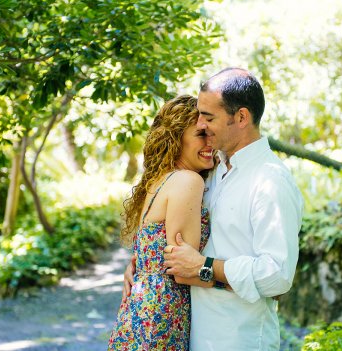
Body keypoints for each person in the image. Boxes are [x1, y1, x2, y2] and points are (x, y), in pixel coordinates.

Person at [163, 68, 304, 350]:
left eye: (209, 117)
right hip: (199, 336)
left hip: (241, 339)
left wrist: (203, 266)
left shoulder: (270, 180)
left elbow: (277, 275)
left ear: (241, 117)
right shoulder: (212, 170)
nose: (200, 125)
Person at [108, 95, 216, 350]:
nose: (210, 141)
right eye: (200, 134)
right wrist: (240, 281)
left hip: (140, 315)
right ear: (176, 139)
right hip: (161, 320)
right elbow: (184, 270)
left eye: (211, 133)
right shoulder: (188, 181)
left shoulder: (162, 180)